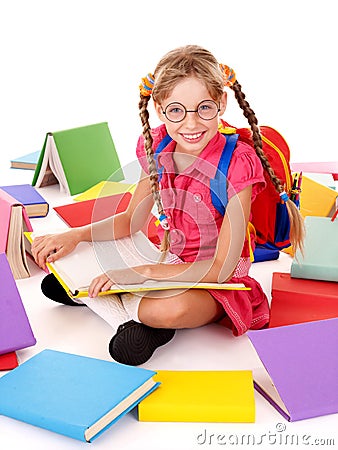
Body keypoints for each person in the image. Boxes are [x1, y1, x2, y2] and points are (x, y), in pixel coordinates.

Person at [31, 44, 304, 366]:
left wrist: (143, 273)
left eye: (204, 108)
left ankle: (121, 307)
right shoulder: (158, 145)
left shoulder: (237, 163)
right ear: (160, 109)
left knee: (168, 309)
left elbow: (222, 269)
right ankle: (115, 298)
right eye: (176, 110)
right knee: (80, 252)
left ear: (222, 103)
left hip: (213, 277)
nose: (191, 124)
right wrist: (74, 235)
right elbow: (131, 221)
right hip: (167, 257)